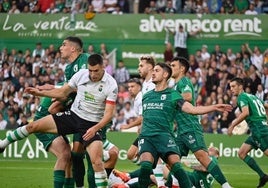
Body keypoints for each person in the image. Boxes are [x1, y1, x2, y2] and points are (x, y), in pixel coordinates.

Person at [0, 54, 118, 188]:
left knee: (96, 162)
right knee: (33, 126)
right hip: (73, 116)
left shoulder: (111, 84)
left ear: (103, 67)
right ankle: (3, 143)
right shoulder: (81, 74)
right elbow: (62, 92)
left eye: (96, 71)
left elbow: (109, 115)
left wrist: (95, 128)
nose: (92, 74)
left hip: (91, 124)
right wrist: (40, 93)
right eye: (90, 70)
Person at [137, 62, 232, 188]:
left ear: (165, 74)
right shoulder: (147, 96)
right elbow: (145, 117)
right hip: (147, 136)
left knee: (176, 165)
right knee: (145, 166)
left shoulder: (173, 94)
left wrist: (214, 107)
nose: (153, 73)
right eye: (153, 70)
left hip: (165, 136)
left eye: (157, 70)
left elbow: (192, 109)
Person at [170, 56, 232, 188]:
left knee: (202, 158)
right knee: (172, 159)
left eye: (173, 65)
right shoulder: (175, 85)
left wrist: (168, 99)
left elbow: (188, 96)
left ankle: (226, 186)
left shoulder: (184, 81)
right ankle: (176, 184)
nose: (171, 68)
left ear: (182, 69)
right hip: (181, 130)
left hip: (190, 127)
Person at [227, 77, 268, 188]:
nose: (231, 89)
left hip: (259, 129)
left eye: (233, 86)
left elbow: (245, 113)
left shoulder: (242, 97)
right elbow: (265, 106)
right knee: (241, 153)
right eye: (230, 87)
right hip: (257, 129)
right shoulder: (253, 96)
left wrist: (232, 125)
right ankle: (263, 176)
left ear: (240, 86)